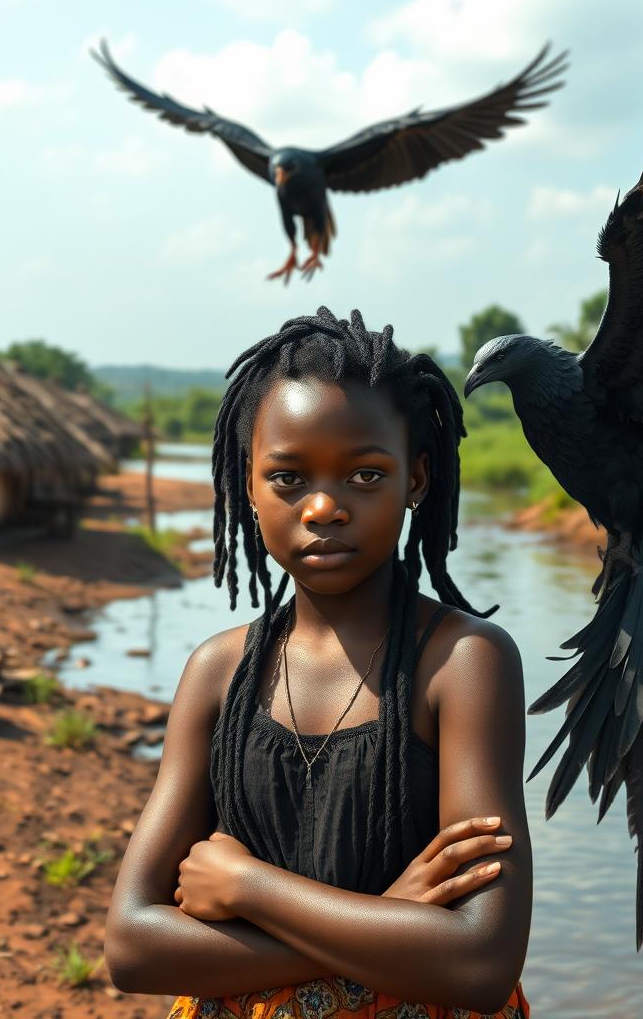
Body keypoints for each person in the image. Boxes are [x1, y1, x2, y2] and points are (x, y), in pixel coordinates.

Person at [104, 307, 533, 1019]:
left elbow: (481, 961)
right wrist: (387, 917)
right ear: (247, 483)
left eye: (366, 475)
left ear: (417, 478)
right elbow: (132, 945)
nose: (324, 506)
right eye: (289, 478)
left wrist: (250, 890)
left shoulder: (462, 664)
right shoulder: (218, 673)